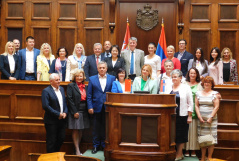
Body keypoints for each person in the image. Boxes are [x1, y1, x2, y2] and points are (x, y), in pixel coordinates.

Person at [87, 61, 115, 154]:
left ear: (106, 69)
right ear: (97, 69)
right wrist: (90, 106)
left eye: (103, 68)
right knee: (95, 128)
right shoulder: (92, 79)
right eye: (100, 68)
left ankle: (103, 145)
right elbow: (89, 95)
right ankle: (95, 146)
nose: (102, 69)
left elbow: (113, 93)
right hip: (95, 107)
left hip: (107, 107)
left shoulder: (112, 78)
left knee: (105, 127)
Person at [165, 69, 193, 161]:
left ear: (180, 78)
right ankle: (173, 152)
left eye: (175, 77)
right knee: (171, 135)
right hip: (170, 116)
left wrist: (189, 116)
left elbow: (190, 103)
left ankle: (179, 153)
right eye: (172, 77)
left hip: (182, 115)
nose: (174, 78)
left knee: (181, 135)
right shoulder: (168, 87)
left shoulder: (186, 87)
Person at [195, 76, 221, 161]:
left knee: (211, 139)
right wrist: (199, 117)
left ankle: (209, 157)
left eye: (208, 82)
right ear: (203, 83)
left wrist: (211, 117)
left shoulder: (215, 94)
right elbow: (196, 105)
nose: (206, 84)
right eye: (205, 82)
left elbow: (216, 107)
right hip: (201, 120)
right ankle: (202, 157)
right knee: (203, 139)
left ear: (211, 84)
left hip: (211, 120)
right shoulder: (198, 93)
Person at [41, 73, 68, 153]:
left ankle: (55, 154)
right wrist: (58, 114)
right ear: (51, 81)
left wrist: (65, 112)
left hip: (62, 120)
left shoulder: (62, 89)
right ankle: (50, 157)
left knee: (61, 138)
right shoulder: (46, 91)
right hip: (51, 121)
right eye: (57, 80)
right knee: (51, 141)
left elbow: (64, 103)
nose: (59, 81)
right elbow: (45, 106)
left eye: (59, 79)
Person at [67, 69, 90, 155]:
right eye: (77, 76)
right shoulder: (71, 86)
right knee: (76, 130)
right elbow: (70, 99)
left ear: (83, 77)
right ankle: (77, 150)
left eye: (81, 76)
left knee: (80, 130)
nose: (79, 78)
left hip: (84, 110)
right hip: (76, 110)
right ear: (74, 77)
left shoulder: (85, 86)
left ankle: (78, 148)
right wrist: (74, 112)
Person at [184, 67, 203, 157]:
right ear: (188, 74)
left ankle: (194, 149)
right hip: (185, 110)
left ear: (197, 75)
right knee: (186, 131)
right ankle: (187, 149)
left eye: (194, 73)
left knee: (194, 131)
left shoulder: (200, 85)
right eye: (191, 73)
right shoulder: (184, 83)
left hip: (196, 110)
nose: (192, 75)